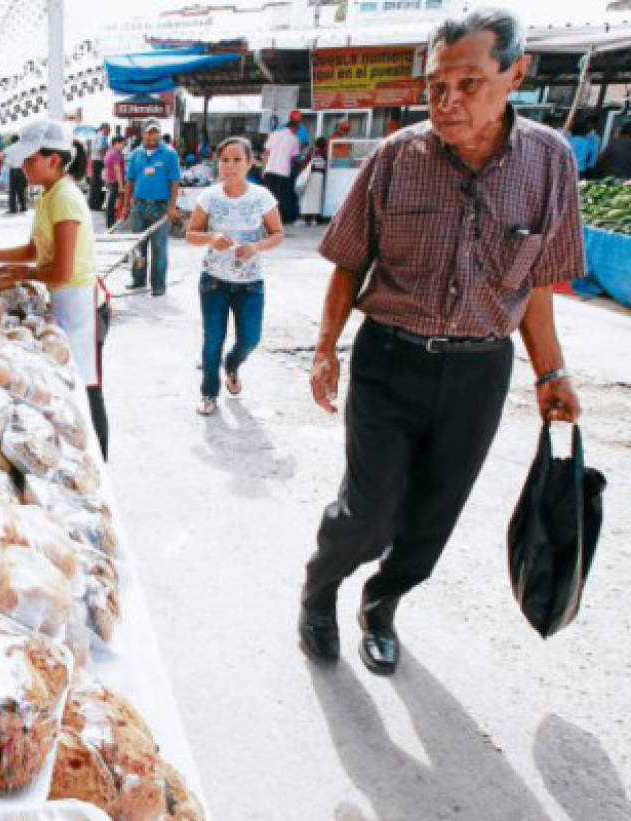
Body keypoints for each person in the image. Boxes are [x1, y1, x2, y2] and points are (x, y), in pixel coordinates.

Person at [298, 8, 584, 676]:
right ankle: (319, 588)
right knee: (366, 513)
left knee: (432, 519)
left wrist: (551, 373)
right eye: (435, 87)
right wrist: (325, 347)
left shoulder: (549, 162)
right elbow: (349, 260)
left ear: (516, 74)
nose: (448, 102)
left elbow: (536, 283)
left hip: (479, 372)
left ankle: (381, 603)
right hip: (389, 361)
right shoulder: (397, 157)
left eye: (470, 83)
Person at [0, 121, 110, 457]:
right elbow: (37, 250)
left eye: (30, 160)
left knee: (86, 389)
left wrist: (21, 274)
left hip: (81, 303)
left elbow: (62, 270)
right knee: (73, 387)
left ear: (55, 160)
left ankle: (98, 462)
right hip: (64, 298)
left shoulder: (64, 197)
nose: (24, 167)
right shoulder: (49, 194)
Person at [186, 137, 284, 415]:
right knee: (213, 338)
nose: (230, 166)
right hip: (214, 281)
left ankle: (232, 365)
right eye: (225, 160)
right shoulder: (208, 197)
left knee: (250, 340)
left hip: (251, 283)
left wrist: (256, 246)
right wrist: (211, 237)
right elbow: (191, 235)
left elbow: (278, 234)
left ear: (250, 163)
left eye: (237, 160)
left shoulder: (261, 197)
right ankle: (208, 393)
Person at [123, 120, 181, 296]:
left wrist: (172, 207)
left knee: (159, 247)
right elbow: (130, 181)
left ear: (160, 134)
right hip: (139, 206)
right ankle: (138, 280)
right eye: (148, 132)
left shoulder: (169, 154)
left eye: (155, 132)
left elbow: (174, 182)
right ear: (143, 134)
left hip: (160, 208)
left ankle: (158, 285)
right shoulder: (135, 154)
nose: (152, 135)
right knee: (138, 246)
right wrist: (126, 205)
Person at [262, 119, 301, 224]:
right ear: (295, 128)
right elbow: (295, 157)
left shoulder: (273, 134)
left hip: (269, 170)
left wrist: (264, 169)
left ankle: (266, 219)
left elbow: (266, 153)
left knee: (268, 196)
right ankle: (280, 220)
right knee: (281, 197)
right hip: (283, 171)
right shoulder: (294, 138)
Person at [299, 137, 328, 225]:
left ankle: (308, 218)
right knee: (317, 198)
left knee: (308, 198)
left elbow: (305, 164)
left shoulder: (312, 153)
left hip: (310, 176)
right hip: (320, 176)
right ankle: (315, 218)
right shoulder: (325, 154)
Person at [103, 134, 126, 228]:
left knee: (111, 203)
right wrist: (121, 185)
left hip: (110, 180)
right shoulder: (115, 154)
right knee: (112, 204)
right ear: (116, 143)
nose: (123, 146)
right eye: (123, 144)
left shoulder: (109, 152)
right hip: (115, 181)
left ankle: (111, 222)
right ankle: (111, 224)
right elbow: (118, 170)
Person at [89, 123, 111, 210]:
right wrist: (104, 160)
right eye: (109, 130)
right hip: (99, 162)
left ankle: (93, 204)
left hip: (96, 161)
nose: (109, 132)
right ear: (104, 129)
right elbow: (101, 149)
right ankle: (96, 205)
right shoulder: (102, 136)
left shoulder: (96, 136)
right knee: (99, 184)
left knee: (95, 183)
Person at [5, 136, 29, 213]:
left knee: (13, 190)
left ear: (12, 141)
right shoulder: (25, 148)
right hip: (23, 170)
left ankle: (13, 208)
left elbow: (8, 162)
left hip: (14, 169)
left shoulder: (9, 149)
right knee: (21, 189)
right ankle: (23, 206)